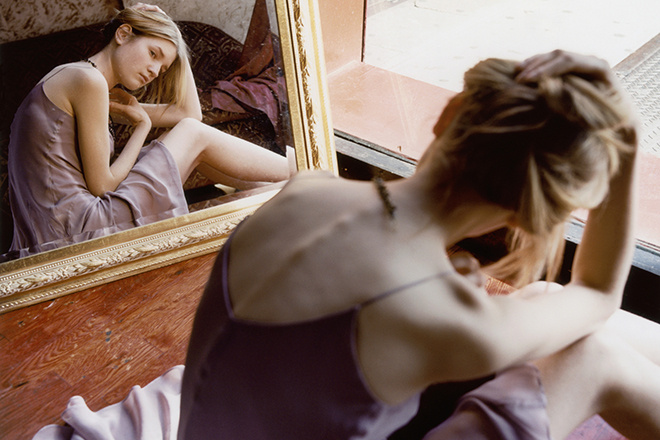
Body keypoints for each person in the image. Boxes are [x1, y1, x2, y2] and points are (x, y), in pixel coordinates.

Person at [177, 49, 660, 440]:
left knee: (544, 296)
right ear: (530, 218)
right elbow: (597, 293)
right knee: (592, 358)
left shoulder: (305, 190)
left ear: (447, 115)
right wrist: (627, 135)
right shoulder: (450, 319)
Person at [7, 3, 290, 257]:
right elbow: (103, 186)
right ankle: (304, 170)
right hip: (80, 232)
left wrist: (174, 40)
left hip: (58, 230)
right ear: (123, 34)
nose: (154, 71)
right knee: (189, 135)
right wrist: (142, 125)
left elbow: (188, 113)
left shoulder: (83, 81)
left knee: (182, 142)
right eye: (153, 54)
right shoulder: (87, 81)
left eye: (163, 68)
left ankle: (287, 190)